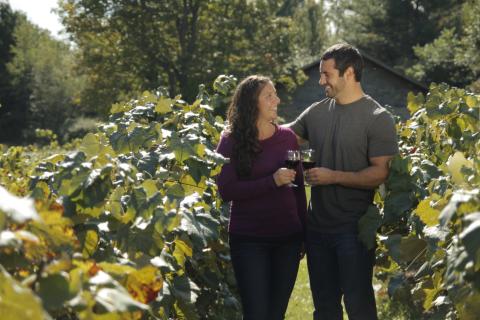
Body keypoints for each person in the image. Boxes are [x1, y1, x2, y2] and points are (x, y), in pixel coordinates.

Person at [288, 43, 399, 320]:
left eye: (326, 74)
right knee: (324, 309)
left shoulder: (378, 118)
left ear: (348, 73)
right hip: (317, 229)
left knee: (359, 306)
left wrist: (332, 176)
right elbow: (283, 137)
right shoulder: (315, 112)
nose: (321, 80)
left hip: (353, 230)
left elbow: (380, 173)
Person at [216, 75, 307, 320]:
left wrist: (303, 232)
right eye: (269, 95)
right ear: (251, 103)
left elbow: (298, 186)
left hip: (288, 239)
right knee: (256, 314)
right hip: (248, 241)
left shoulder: (288, 138)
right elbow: (226, 190)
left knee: (276, 315)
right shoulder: (230, 141)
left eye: (275, 93)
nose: (276, 99)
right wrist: (271, 182)